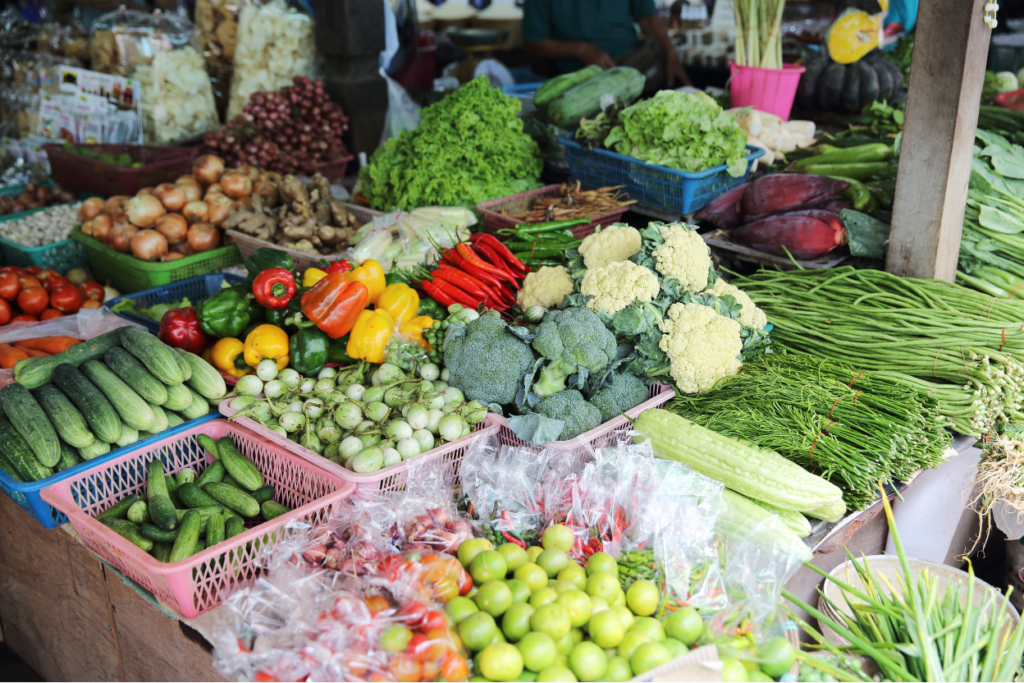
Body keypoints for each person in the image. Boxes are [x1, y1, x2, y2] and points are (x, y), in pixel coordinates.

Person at [523, 0, 691, 88]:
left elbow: (647, 16)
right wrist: (580, 49)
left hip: (631, 65)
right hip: (577, 79)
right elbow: (534, 41)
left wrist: (670, 52)